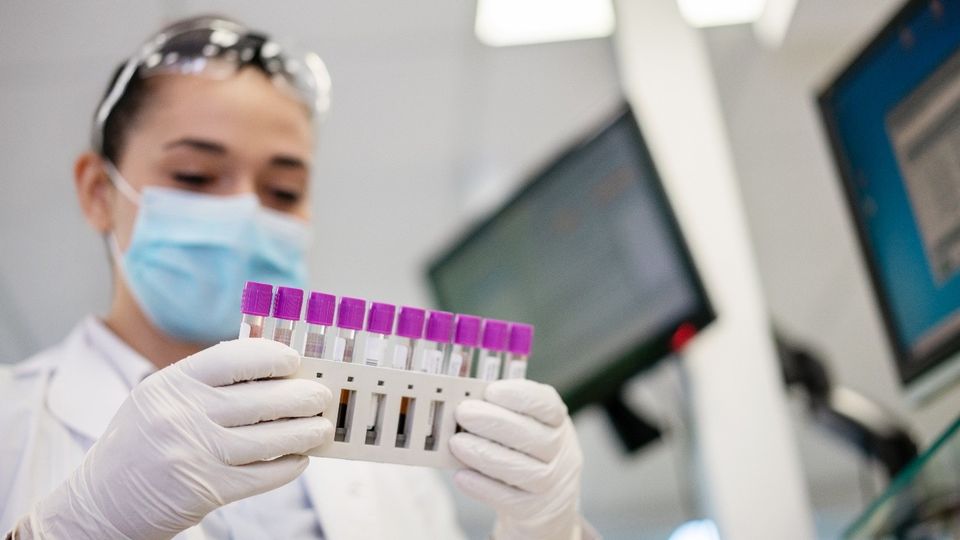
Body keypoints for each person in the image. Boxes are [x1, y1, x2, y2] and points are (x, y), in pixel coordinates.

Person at [0, 15, 589, 540]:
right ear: (98, 192)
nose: (245, 213)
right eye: (195, 176)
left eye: (283, 191)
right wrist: (80, 528)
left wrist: (548, 534)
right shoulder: (14, 421)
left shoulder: (381, 451)